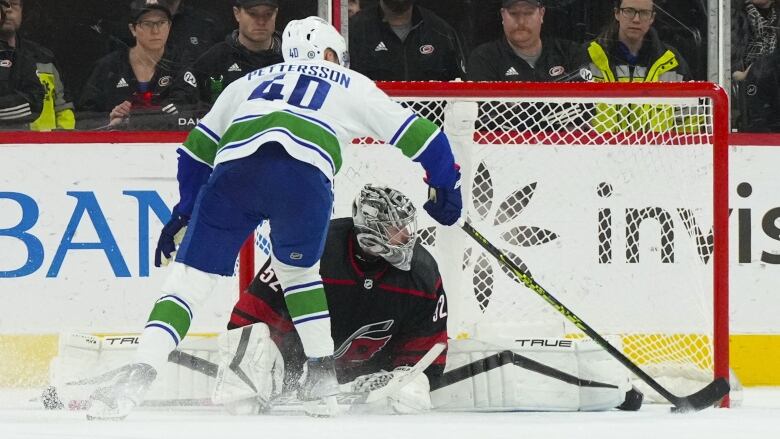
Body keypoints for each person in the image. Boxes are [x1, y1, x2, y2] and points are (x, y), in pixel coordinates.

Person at [85, 16, 461, 421]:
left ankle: (137, 376)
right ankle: (321, 385)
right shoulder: (350, 83)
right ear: (331, 53)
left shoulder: (246, 82)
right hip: (303, 176)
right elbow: (427, 139)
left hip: (234, 172)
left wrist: (186, 210)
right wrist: (445, 192)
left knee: (189, 281)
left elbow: (194, 152)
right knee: (299, 276)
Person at [216, 184, 447, 414]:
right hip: (291, 364)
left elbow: (427, 347)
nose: (407, 236)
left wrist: (409, 377)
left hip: (372, 375)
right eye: (396, 229)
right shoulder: (315, 249)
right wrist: (249, 369)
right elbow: (251, 317)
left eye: (405, 228)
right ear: (371, 230)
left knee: (411, 395)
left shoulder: (422, 272)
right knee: (242, 396)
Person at [585, 0, 693, 132]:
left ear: (652, 18)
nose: (636, 19)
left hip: (658, 152)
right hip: (597, 151)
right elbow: (572, 122)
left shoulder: (673, 63)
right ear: (617, 13)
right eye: (629, 11)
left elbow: (691, 124)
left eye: (644, 13)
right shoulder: (588, 57)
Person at [77, 0, 186, 130]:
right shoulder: (108, 67)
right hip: (115, 147)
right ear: (132, 29)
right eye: (147, 24)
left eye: (162, 23)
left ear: (169, 26)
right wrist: (109, 121)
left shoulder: (180, 65)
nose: (156, 31)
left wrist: (134, 118)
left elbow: (190, 113)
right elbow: (83, 120)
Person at [170, 0, 283, 126]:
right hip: (226, 139)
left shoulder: (293, 57)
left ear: (276, 14)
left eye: (268, 14)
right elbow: (181, 103)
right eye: (253, 14)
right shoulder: (215, 58)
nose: (261, 22)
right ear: (237, 13)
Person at [468, 0, 589, 82]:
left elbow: (586, 112)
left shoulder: (570, 53)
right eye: (513, 13)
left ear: (542, 14)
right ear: (502, 15)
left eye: (528, 13)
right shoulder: (484, 58)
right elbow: (488, 115)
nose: (521, 21)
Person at [0, 0, 75, 131]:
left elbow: (63, 109)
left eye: (14, 4)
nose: (8, 10)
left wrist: (62, 144)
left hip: (43, 148)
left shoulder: (44, 57)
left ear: (22, 11)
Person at [348, 0, 467, 80]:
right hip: (372, 117)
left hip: (428, 117)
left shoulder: (441, 33)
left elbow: (461, 95)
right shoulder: (353, 31)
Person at [0, 0, 43, 128]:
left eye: (13, 4)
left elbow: (35, 101)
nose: (7, 10)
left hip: (20, 143)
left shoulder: (33, 57)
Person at [732, 0, 778, 82]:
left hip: (771, 85)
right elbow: (728, 65)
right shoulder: (737, 14)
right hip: (744, 86)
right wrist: (746, 74)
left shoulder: (776, 18)